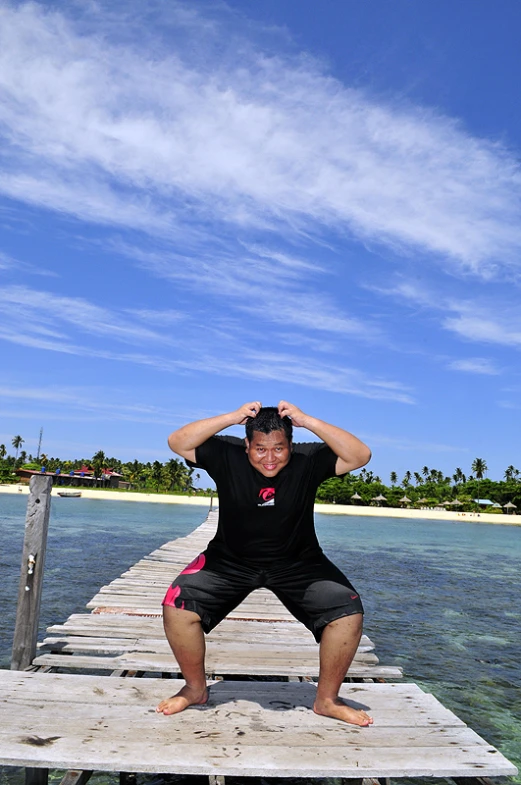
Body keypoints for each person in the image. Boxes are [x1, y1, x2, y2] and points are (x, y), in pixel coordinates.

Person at [156, 400, 373, 726]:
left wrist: (306, 419)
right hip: (228, 561)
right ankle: (195, 688)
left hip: (298, 562)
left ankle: (327, 699)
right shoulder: (227, 453)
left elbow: (360, 456)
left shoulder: (308, 459)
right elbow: (178, 441)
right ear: (246, 445)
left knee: (348, 612)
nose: (270, 458)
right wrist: (233, 417)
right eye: (260, 449)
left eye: (279, 449)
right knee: (177, 605)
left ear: (291, 444)